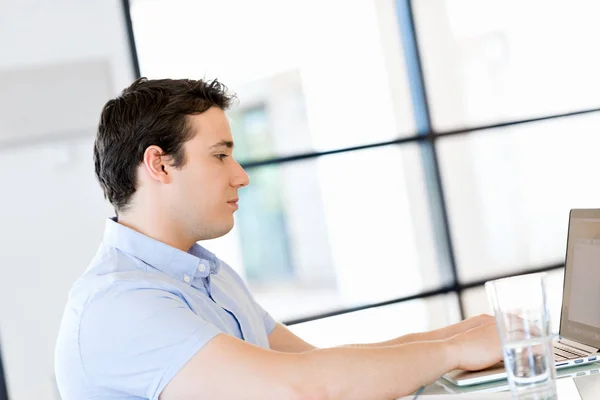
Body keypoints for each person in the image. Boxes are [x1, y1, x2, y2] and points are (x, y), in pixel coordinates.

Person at [54, 77, 503, 400]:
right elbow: (302, 387)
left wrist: (462, 333)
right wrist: (454, 350)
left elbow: (313, 363)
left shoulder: (204, 274)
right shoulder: (120, 304)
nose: (241, 176)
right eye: (220, 156)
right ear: (160, 165)